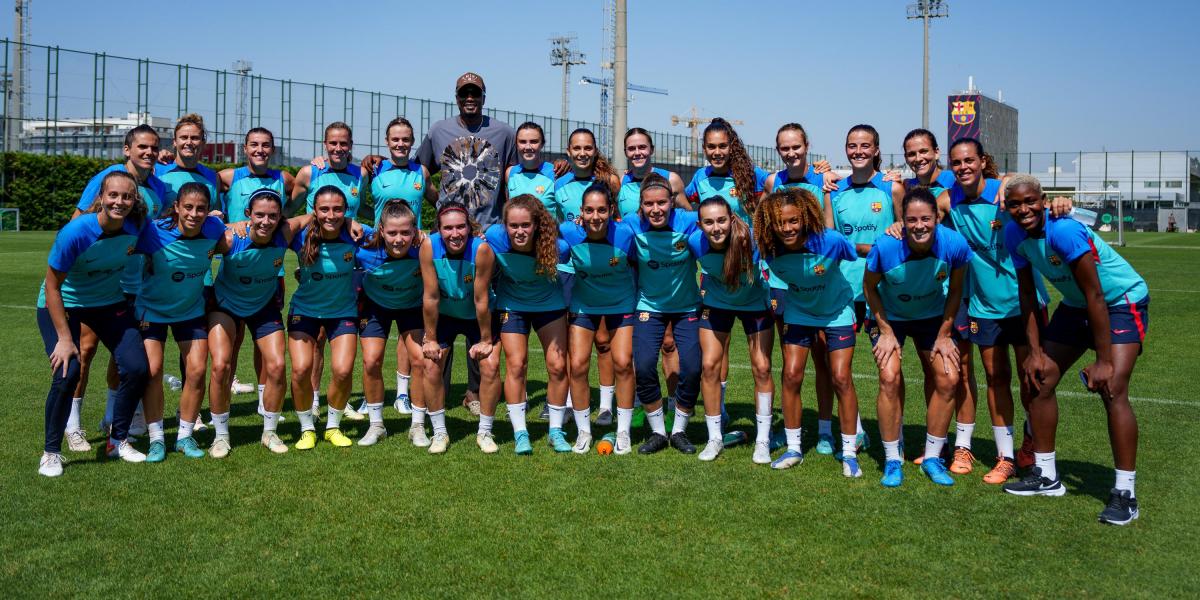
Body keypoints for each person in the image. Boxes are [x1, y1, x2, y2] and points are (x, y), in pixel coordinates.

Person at [1001, 174, 1147, 526]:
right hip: (1076, 304)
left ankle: (1125, 493)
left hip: (1120, 302)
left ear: (1044, 199)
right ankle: (1046, 476)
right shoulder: (1012, 234)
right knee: (1038, 378)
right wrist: (1034, 352)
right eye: (1015, 204)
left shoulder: (1063, 231)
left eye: (1030, 201)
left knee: (1113, 389)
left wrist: (1103, 360)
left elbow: (1097, 293)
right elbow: (1027, 296)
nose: (1024, 210)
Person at [934, 138, 1047, 482]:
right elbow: (921, 216)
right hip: (983, 307)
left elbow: (1032, 196)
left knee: (1033, 381)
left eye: (969, 160)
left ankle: (1036, 446)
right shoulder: (948, 201)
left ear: (983, 161)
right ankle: (1006, 456)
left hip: (1026, 303)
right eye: (957, 163)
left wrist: (1055, 201)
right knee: (996, 379)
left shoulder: (1005, 192)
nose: (963, 167)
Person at [36, 171, 150, 476]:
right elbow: (51, 287)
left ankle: (118, 439)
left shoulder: (136, 225)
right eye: (113, 195)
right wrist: (64, 338)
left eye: (127, 196)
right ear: (100, 197)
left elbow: (168, 235)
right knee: (68, 371)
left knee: (137, 367)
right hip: (63, 306)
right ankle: (51, 452)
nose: (119, 202)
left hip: (108, 304)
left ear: (134, 200)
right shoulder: (76, 232)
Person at [863, 187, 972, 487]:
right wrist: (884, 331)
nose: (919, 226)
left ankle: (934, 457)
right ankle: (892, 459)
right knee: (888, 377)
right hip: (890, 317)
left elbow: (957, 290)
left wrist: (945, 333)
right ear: (903, 220)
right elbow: (869, 287)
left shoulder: (955, 244)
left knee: (948, 378)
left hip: (932, 315)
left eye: (926, 218)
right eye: (912, 220)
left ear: (937, 218)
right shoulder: (885, 246)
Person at [69, 125, 167, 448]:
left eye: (154, 147)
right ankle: (72, 424)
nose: (149, 152)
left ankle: (111, 420)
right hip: (98, 283)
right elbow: (77, 222)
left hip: (134, 285)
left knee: (122, 357)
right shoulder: (107, 178)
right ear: (127, 149)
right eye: (142, 147)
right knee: (85, 349)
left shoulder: (158, 188)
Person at [756, 187, 862, 476]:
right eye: (780, 223)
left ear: (804, 218)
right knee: (791, 374)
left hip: (836, 311)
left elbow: (858, 251)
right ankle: (793, 448)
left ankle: (850, 451)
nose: (787, 228)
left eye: (793, 221)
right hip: (800, 311)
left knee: (840, 377)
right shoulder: (769, 247)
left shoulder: (830, 241)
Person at [763, 122, 846, 455]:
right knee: (791, 365)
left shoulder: (822, 177)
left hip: (821, 279)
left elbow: (829, 231)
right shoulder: (773, 181)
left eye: (796, 146)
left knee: (824, 358)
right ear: (778, 150)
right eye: (785, 148)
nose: (791, 153)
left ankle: (826, 430)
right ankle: (790, 430)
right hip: (784, 282)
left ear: (807, 145)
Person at [134, 183, 229, 462]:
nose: (194, 214)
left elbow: (233, 231)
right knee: (152, 371)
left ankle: (185, 437)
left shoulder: (212, 228)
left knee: (197, 371)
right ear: (176, 207)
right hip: (151, 310)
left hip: (190, 311)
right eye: (188, 207)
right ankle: (156, 439)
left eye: (200, 208)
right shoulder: (153, 232)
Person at [824, 124, 903, 453]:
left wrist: (866, 249)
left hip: (880, 292)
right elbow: (830, 237)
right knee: (840, 372)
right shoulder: (834, 191)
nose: (858, 151)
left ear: (876, 149)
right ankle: (855, 430)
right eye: (852, 145)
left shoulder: (891, 188)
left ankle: (894, 439)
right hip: (844, 292)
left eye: (865, 145)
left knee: (888, 373)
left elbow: (904, 231)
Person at [485, 195, 577, 453]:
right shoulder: (494, 237)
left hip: (550, 304)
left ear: (536, 224)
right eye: (513, 226)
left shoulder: (558, 247)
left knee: (558, 366)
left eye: (525, 225)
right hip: (512, 305)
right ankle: (520, 432)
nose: (519, 231)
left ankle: (556, 431)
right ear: (505, 226)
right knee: (516, 364)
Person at [207, 189, 295, 455]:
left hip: (263, 307)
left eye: (272, 216)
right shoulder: (230, 239)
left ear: (280, 217)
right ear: (248, 215)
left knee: (278, 366)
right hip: (225, 306)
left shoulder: (284, 235)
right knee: (221, 366)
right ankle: (221, 436)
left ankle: (269, 433)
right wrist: (216, 220)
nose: (265, 221)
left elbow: (313, 216)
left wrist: (351, 221)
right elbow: (198, 231)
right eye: (259, 215)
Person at [217, 127, 296, 420]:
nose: (260, 150)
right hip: (236, 266)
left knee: (264, 342)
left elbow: (301, 200)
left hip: (269, 271)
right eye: (254, 145)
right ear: (245, 148)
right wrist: (223, 221)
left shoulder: (283, 179)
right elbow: (199, 193)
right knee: (232, 340)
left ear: (272, 149)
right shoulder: (227, 177)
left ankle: (265, 401)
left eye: (266, 145)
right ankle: (227, 388)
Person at [689, 196, 773, 462]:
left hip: (755, 303)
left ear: (732, 218)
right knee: (710, 366)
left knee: (762, 367)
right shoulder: (695, 243)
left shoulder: (752, 241)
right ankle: (714, 438)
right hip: (717, 303)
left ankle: (763, 440)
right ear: (700, 225)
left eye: (722, 220)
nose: (716, 228)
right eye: (709, 222)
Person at [292, 122, 366, 421]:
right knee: (317, 336)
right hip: (312, 252)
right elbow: (289, 207)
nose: (338, 149)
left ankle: (339, 399)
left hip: (347, 253)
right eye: (333, 143)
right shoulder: (311, 172)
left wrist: (348, 223)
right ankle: (312, 399)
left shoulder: (361, 173)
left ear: (351, 144)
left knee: (336, 331)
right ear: (325, 144)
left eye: (344, 143)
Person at [624, 172, 702, 454]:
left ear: (672, 202)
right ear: (641, 206)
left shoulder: (689, 222)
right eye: (649, 204)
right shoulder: (632, 225)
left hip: (687, 308)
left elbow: (724, 227)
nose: (655, 209)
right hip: (649, 307)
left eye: (661, 203)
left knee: (692, 368)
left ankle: (679, 430)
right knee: (643, 366)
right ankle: (657, 431)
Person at [363, 117, 433, 416]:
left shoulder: (422, 171)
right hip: (380, 251)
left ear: (412, 141)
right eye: (395, 139)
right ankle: (371, 395)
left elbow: (439, 201)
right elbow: (350, 197)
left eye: (406, 139)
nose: (401, 144)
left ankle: (402, 394)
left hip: (412, 252)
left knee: (409, 334)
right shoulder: (374, 170)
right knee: (373, 344)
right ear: (387, 141)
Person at [560, 184, 638, 453]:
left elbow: (640, 263)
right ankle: (584, 431)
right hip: (584, 304)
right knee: (579, 365)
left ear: (611, 211)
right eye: (590, 210)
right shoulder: (569, 232)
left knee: (623, 363)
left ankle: (623, 431)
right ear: (580, 212)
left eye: (602, 210)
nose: (596, 216)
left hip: (621, 304)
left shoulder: (626, 235)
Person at [418, 203, 501, 453]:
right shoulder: (429, 247)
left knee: (490, 365)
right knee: (431, 365)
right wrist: (430, 338)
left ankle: (485, 432)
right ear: (439, 230)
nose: (455, 234)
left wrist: (486, 340)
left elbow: (481, 299)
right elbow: (431, 296)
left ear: (470, 227)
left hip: (478, 315)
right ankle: (440, 433)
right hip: (445, 314)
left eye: (461, 227)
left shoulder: (482, 250)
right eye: (448, 228)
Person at [287, 185, 362, 450]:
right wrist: (308, 218)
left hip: (342, 312)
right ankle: (307, 428)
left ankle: (332, 427)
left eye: (338, 209)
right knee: (300, 370)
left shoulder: (355, 234)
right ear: (314, 211)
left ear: (346, 211)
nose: (331, 215)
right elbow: (279, 224)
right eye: (324, 209)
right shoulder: (301, 236)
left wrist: (352, 221)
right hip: (304, 312)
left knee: (342, 371)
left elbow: (393, 231)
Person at [355, 200, 425, 446]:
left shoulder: (424, 248)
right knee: (371, 361)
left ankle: (417, 425)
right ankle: (376, 425)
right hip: (376, 307)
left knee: (419, 360)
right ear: (381, 231)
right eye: (392, 232)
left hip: (411, 306)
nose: (398, 239)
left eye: (405, 232)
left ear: (415, 232)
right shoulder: (364, 249)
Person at [617, 127, 690, 215]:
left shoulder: (671, 180)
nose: (637, 153)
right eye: (631, 148)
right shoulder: (623, 180)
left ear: (651, 149)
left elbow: (688, 215)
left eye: (642, 147)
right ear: (625, 153)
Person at [506, 121, 558, 216]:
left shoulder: (555, 173)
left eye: (534, 141)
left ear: (542, 144)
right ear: (516, 145)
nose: (528, 147)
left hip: (548, 230)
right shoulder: (510, 173)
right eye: (522, 142)